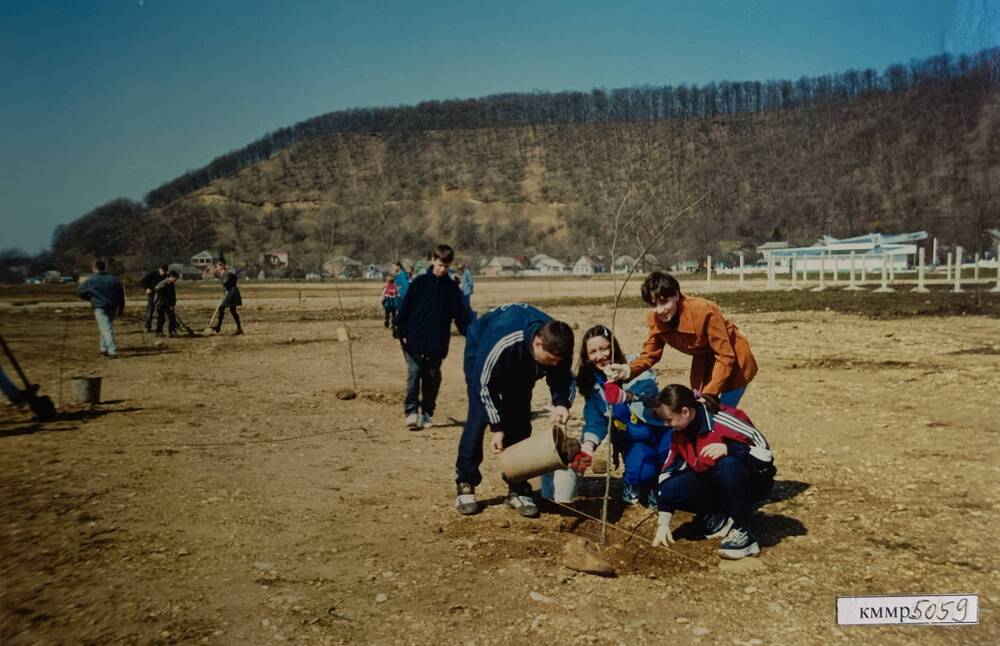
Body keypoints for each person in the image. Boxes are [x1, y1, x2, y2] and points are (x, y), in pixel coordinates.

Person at [455, 303, 575, 517]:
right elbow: (484, 386)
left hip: (523, 366)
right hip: (481, 354)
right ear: (537, 344)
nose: (554, 365)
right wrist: (498, 427)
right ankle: (466, 482)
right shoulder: (504, 340)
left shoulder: (559, 343)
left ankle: (517, 487)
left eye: (559, 361)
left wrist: (561, 403)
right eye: (551, 360)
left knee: (520, 419)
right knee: (478, 418)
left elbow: (563, 377)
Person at [651, 384, 776, 559]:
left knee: (728, 464)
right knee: (671, 488)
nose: (667, 424)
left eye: (669, 419)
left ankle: (744, 532)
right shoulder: (678, 434)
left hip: (751, 480)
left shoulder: (722, 420)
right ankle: (720, 514)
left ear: (685, 411)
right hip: (715, 482)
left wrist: (730, 448)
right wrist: (663, 523)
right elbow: (667, 473)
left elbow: (765, 455)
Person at [555, 325, 670, 508]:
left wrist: (627, 395)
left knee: (675, 460)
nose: (600, 356)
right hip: (634, 440)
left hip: (660, 431)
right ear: (587, 356)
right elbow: (595, 422)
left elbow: (649, 389)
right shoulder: (594, 386)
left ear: (613, 346)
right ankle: (636, 484)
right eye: (593, 351)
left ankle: (661, 487)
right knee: (643, 471)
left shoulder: (634, 364)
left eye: (604, 348)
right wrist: (587, 448)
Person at [603, 271, 756, 407]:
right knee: (698, 407)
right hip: (703, 361)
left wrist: (710, 394)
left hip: (734, 360)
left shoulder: (704, 310)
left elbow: (725, 355)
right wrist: (627, 369)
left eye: (664, 302)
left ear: (676, 295)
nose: (660, 310)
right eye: (653, 304)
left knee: (719, 416)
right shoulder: (655, 319)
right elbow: (650, 354)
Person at [394, 244, 472, 430]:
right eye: (439, 265)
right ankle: (411, 411)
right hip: (414, 339)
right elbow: (406, 308)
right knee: (414, 374)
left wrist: (471, 333)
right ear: (432, 261)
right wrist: (400, 330)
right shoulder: (419, 283)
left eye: (446, 266)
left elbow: (461, 315)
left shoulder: (452, 289)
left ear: (450, 265)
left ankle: (427, 412)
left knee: (432, 376)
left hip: (437, 342)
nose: (442, 269)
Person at [77, 259, 126, 358]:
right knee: (106, 328)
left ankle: (112, 351)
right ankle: (103, 349)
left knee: (106, 329)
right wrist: (121, 308)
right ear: (105, 267)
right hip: (112, 307)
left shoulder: (91, 280)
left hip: (99, 307)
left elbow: (80, 292)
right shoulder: (113, 279)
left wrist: (90, 298)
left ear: (94, 268)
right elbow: (121, 295)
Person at [211, 259, 243, 335]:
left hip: (232, 292)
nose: (217, 268)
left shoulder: (227, 273)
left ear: (221, 266)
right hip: (229, 291)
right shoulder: (223, 274)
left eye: (217, 267)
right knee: (232, 310)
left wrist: (220, 278)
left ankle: (219, 327)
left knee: (223, 308)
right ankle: (239, 329)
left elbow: (226, 283)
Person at [140, 264, 168, 332]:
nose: (163, 273)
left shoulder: (166, 277)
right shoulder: (153, 274)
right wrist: (146, 288)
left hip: (161, 296)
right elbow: (143, 281)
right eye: (162, 271)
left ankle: (160, 328)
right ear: (160, 269)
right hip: (152, 295)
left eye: (165, 271)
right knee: (150, 311)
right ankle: (147, 326)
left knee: (161, 312)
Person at [153, 270, 180, 337]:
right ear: (171, 277)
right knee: (161, 318)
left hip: (168, 304)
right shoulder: (164, 283)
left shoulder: (171, 284)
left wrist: (173, 304)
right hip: (160, 304)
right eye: (175, 279)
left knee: (172, 318)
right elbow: (157, 289)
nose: (175, 280)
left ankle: (172, 331)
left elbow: (172, 295)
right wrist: (164, 300)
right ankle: (159, 332)